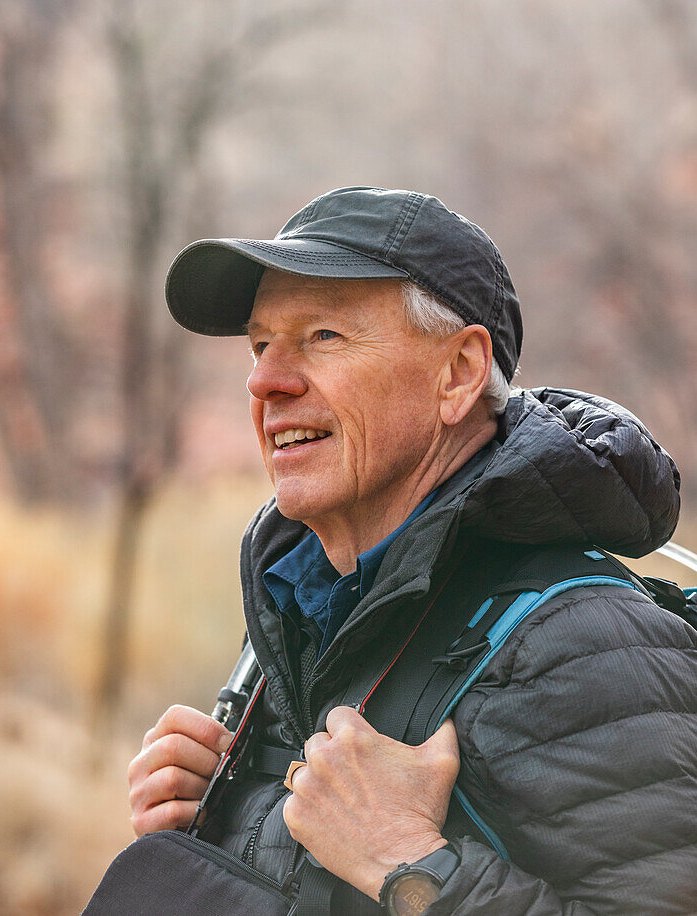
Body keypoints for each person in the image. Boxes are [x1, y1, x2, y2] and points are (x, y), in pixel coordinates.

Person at [127, 187, 696, 914]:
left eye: (322, 336)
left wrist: (412, 867)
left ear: (456, 374)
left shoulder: (583, 646)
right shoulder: (306, 606)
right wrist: (201, 840)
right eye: (262, 343)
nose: (265, 381)